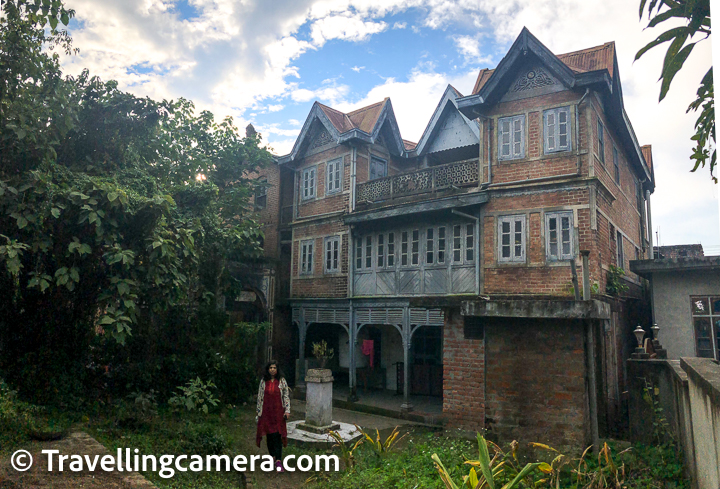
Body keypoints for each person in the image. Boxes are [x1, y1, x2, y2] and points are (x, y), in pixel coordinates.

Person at [255, 360, 291, 471]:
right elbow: (260, 397)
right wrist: (258, 412)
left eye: (274, 368)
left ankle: (279, 460)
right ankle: (272, 457)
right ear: (268, 369)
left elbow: (286, 396)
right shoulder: (263, 382)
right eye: (270, 367)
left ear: (277, 369)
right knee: (269, 435)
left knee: (277, 435)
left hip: (278, 413)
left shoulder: (282, 381)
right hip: (266, 413)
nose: (272, 369)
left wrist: (287, 411)